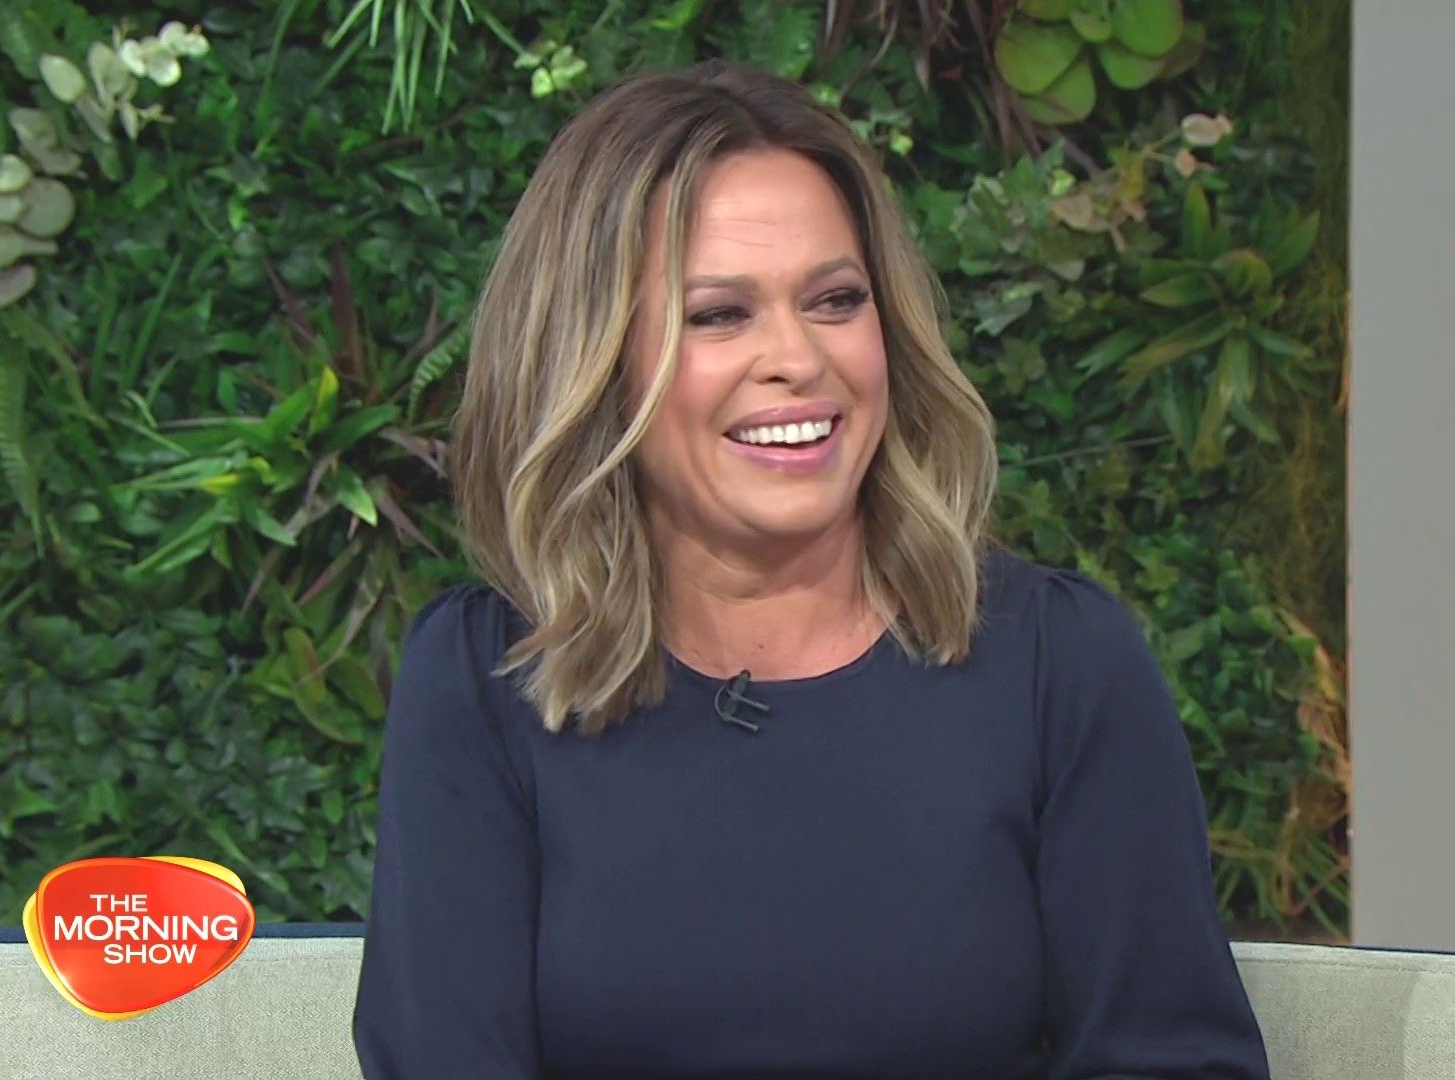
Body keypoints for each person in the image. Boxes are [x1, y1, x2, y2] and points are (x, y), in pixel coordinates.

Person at [350, 57, 1269, 1079]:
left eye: (835, 300)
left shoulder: (1061, 661)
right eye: (718, 314)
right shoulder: (484, 682)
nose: (799, 358)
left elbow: (1169, 1059)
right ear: (593, 362)